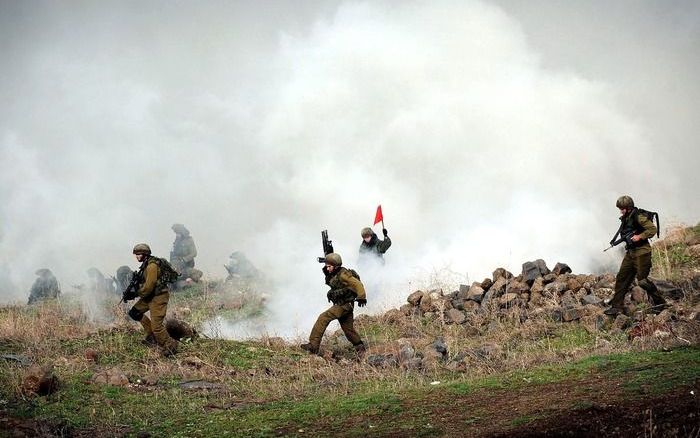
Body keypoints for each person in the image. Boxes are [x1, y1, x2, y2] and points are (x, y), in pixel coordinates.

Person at [604, 196, 667, 316]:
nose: (621, 211)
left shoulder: (638, 216)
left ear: (628, 208)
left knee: (642, 281)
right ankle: (616, 307)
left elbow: (652, 229)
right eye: (620, 208)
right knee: (622, 278)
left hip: (642, 252)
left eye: (622, 208)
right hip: (631, 253)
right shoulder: (626, 218)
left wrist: (640, 237)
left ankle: (660, 303)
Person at [301, 253, 367, 355]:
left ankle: (313, 346)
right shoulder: (334, 273)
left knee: (323, 317)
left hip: (344, 305)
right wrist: (327, 272)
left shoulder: (343, 275)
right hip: (344, 304)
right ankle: (360, 347)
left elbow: (357, 284)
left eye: (329, 267)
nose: (327, 269)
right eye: (326, 266)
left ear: (335, 266)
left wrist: (361, 297)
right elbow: (332, 282)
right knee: (348, 330)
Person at [127, 243, 179, 356]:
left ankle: (170, 345)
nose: (136, 257)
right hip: (150, 296)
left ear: (144, 254)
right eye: (136, 254)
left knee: (157, 326)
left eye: (138, 254)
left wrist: (135, 294)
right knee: (134, 312)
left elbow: (148, 287)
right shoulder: (146, 265)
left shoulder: (151, 266)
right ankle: (151, 336)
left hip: (158, 297)